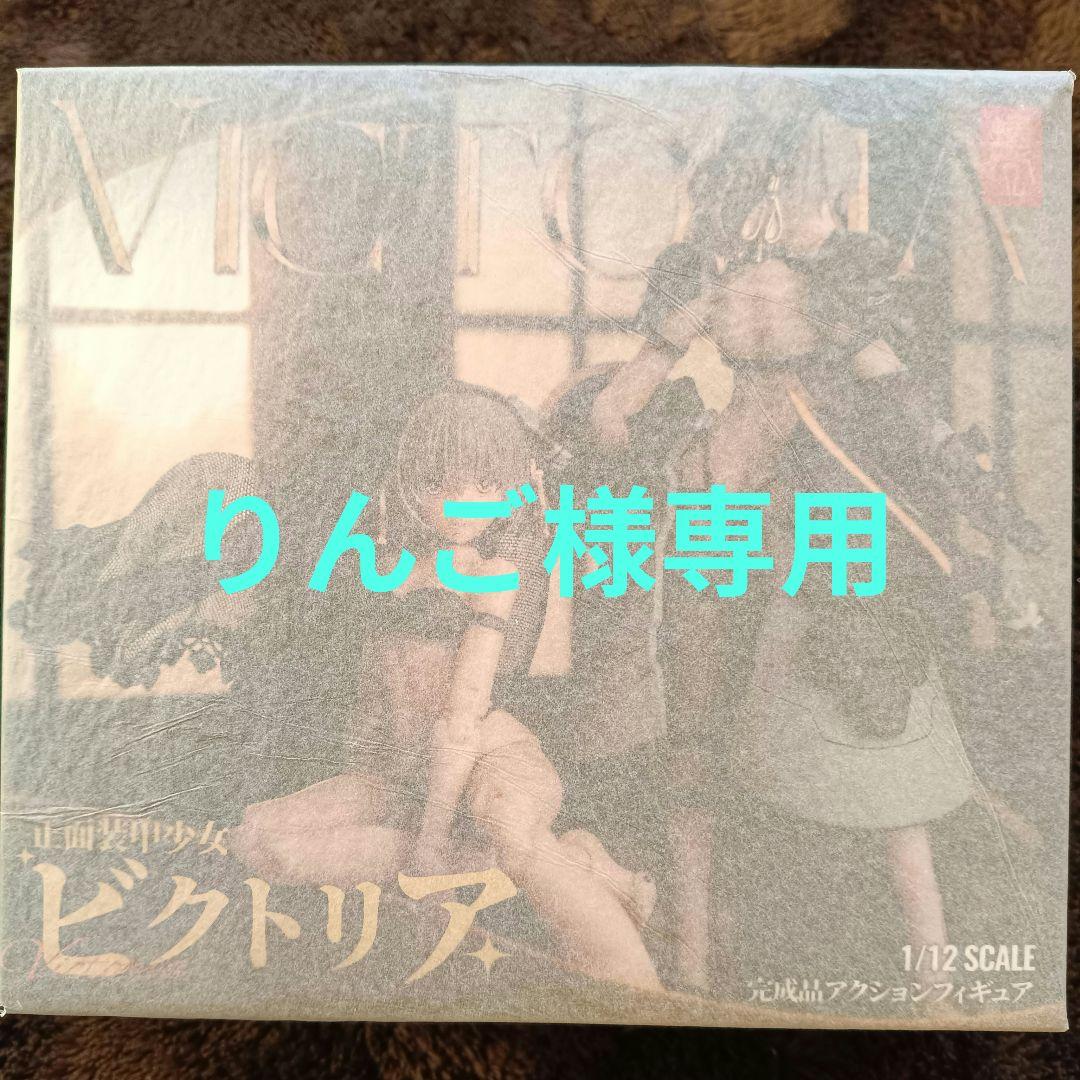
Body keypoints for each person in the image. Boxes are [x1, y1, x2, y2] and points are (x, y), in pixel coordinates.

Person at [232, 384, 663, 993]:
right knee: (260, 840)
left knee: (506, 828)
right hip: (401, 770)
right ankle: (582, 862)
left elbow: (463, 717)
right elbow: (376, 687)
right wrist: (393, 796)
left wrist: (432, 844)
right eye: (441, 483)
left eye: (484, 485)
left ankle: (636, 984)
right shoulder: (387, 565)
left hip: (483, 757)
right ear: (412, 481)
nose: (461, 502)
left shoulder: (495, 573)